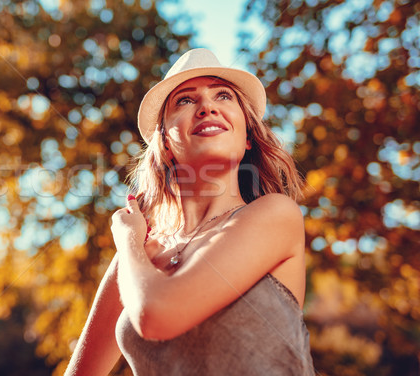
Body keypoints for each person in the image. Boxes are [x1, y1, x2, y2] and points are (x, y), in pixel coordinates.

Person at [64, 48, 316, 375]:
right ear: (166, 142)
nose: (207, 107)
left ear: (249, 136)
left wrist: (126, 240)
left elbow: (156, 315)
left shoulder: (276, 215)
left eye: (223, 96)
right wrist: (133, 248)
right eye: (185, 100)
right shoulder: (139, 254)